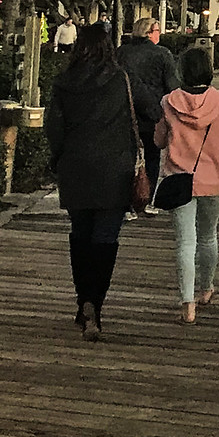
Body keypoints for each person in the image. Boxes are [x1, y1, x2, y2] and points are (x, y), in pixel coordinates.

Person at [43, 25, 140, 339]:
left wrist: (58, 158)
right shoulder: (120, 80)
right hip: (114, 169)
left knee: (80, 234)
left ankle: (82, 300)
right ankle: (94, 304)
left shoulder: (63, 83)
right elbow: (145, 113)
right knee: (106, 239)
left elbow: (53, 127)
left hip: (76, 167)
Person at [154, 46, 219, 324]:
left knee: (185, 242)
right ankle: (207, 288)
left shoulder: (169, 101)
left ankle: (187, 304)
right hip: (214, 177)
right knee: (208, 236)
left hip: (179, 178)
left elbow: (158, 140)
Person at [117, 16, 180, 201]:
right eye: (157, 30)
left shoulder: (121, 53)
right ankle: (147, 197)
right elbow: (172, 86)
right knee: (152, 157)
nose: (159, 34)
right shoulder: (162, 54)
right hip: (153, 112)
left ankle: (127, 200)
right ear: (149, 33)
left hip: (125, 112)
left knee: (126, 157)